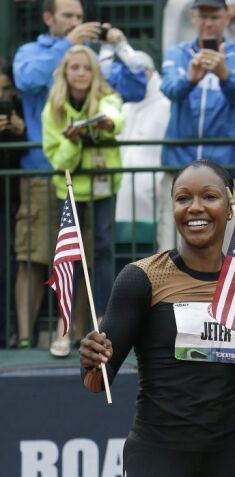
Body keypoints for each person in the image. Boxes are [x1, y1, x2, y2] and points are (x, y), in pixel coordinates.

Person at [79, 160, 235, 477]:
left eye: (209, 196)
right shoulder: (141, 278)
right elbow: (97, 381)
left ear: (230, 206)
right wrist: (91, 358)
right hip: (157, 457)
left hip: (228, 460)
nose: (195, 208)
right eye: (182, 198)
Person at [12, 0, 146, 350]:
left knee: (96, 253)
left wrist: (119, 47)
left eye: (79, 17)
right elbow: (27, 78)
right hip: (45, 174)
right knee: (41, 256)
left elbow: (134, 89)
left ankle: (87, 331)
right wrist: (67, 44)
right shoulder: (38, 51)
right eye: (67, 17)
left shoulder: (91, 61)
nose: (77, 23)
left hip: (96, 180)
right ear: (48, 19)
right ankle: (34, 337)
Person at [42, 45, 125, 356]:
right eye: (74, 67)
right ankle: (64, 329)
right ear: (65, 72)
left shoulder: (106, 96)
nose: (80, 73)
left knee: (103, 249)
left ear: (94, 72)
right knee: (68, 257)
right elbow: (56, 157)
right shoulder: (53, 107)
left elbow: (117, 116)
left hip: (103, 185)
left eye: (86, 68)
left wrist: (106, 124)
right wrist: (73, 141)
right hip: (70, 187)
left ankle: (103, 320)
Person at [160, 0, 235, 251]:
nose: (208, 23)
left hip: (226, 168)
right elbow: (169, 89)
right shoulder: (177, 54)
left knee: (232, 246)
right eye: (203, 16)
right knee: (171, 246)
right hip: (179, 165)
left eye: (214, 17)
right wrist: (189, 78)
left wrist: (225, 75)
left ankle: (232, 292)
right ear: (193, 18)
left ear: (226, 18)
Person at [116, 51, 171, 226]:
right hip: (123, 188)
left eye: (141, 72)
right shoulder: (125, 107)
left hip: (154, 188)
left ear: (151, 73)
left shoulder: (166, 104)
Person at [0, 60, 25, 347]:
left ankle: (9, 334)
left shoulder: (19, 107)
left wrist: (21, 130)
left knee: (8, 265)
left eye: (5, 89)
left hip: (11, 202)